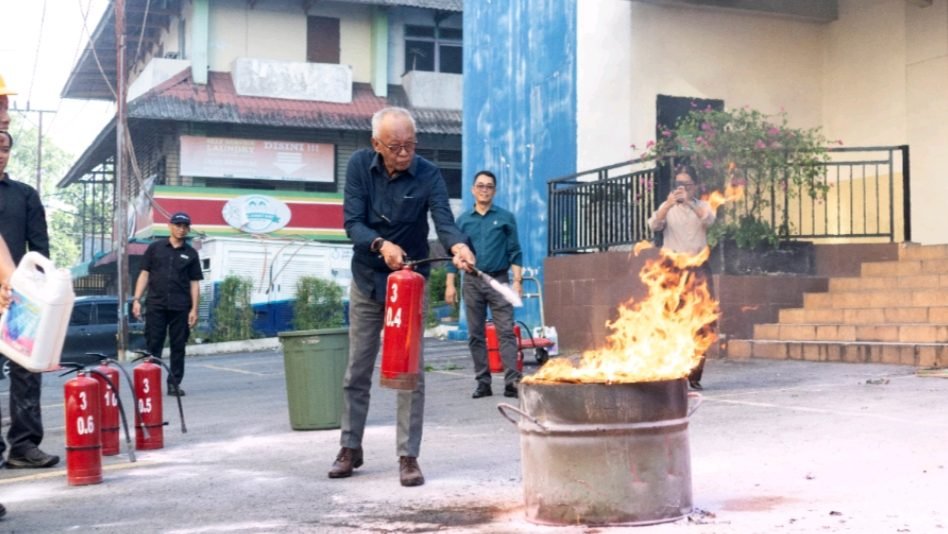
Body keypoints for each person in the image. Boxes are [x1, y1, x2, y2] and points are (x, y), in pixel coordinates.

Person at [330, 106, 476, 487]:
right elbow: (352, 223)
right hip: (368, 278)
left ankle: (408, 455)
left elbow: (444, 220)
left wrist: (459, 246)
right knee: (357, 369)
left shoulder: (428, 173)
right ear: (376, 144)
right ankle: (350, 447)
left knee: (409, 372)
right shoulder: (360, 166)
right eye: (395, 146)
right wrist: (381, 245)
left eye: (410, 145)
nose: (404, 153)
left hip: (410, 283)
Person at [0, 130, 59, 469]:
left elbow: (39, 251)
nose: (1, 154)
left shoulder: (24, 195)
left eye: (5, 148)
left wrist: (39, 291)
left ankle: (23, 445)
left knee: (27, 371)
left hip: (19, 299)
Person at [445, 170, 524, 399]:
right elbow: (455, 254)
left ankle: (512, 382)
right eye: (480, 186)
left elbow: (515, 252)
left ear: (495, 191)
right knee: (475, 334)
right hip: (472, 281)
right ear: (473, 190)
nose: (484, 190)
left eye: (489, 186)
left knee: (506, 332)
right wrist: (450, 284)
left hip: (499, 281)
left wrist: (517, 282)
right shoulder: (463, 220)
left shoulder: (506, 217)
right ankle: (483, 382)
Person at [648, 164, 716, 390]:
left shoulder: (703, 206)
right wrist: (668, 204)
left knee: (704, 322)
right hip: (674, 269)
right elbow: (654, 225)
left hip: (698, 268)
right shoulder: (668, 208)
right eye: (678, 185)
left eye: (686, 185)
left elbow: (708, 220)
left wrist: (688, 202)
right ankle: (673, 373)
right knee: (673, 319)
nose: (682, 189)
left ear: (694, 187)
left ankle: (694, 375)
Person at [132, 212, 203, 397]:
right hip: (156, 305)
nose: (181, 229)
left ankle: (174, 384)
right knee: (153, 345)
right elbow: (144, 274)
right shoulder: (155, 248)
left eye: (184, 226)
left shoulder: (191, 253)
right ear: (169, 226)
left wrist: (194, 309)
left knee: (178, 347)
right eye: (177, 225)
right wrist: (137, 299)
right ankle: (151, 384)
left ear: (188, 229)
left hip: (181, 307)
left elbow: (195, 283)